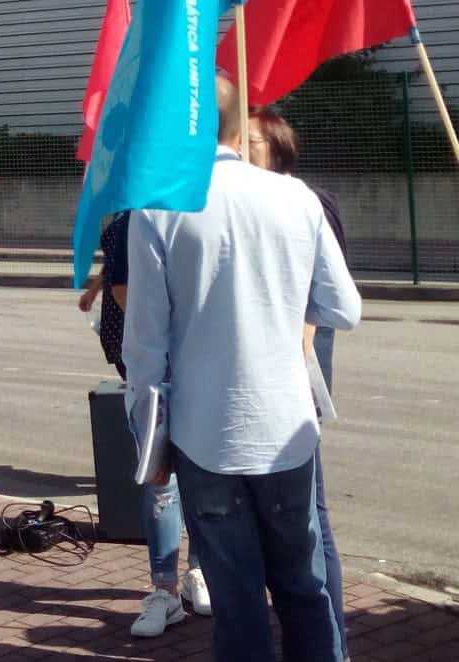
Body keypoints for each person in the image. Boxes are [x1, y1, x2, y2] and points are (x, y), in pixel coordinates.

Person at [123, 75, 361, 662]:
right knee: (304, 588)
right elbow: (343, 309)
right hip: (286, 431)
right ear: (239, 126)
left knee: (236, 600)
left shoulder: (158, 210)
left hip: (205, 437)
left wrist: (148, 446)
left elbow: (144, 348)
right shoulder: (298, 198)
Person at [78, 211, 210, 636]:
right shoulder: (130, 225)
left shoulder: (208, 214)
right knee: (161, 483)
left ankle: (198, 573)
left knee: (202, 477)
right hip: (153, 378)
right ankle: (165, 590)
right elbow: (123, 292)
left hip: (204, 371)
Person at [249, 107, 350, 656]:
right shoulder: (252, 202)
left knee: (312, 520)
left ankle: (331, 639)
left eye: (254, 144)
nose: (242, 151)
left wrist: (299, 339)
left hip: (294, 385)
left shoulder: (307, 201)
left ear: (278, 149)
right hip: (266, 386)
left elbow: (327, 297)